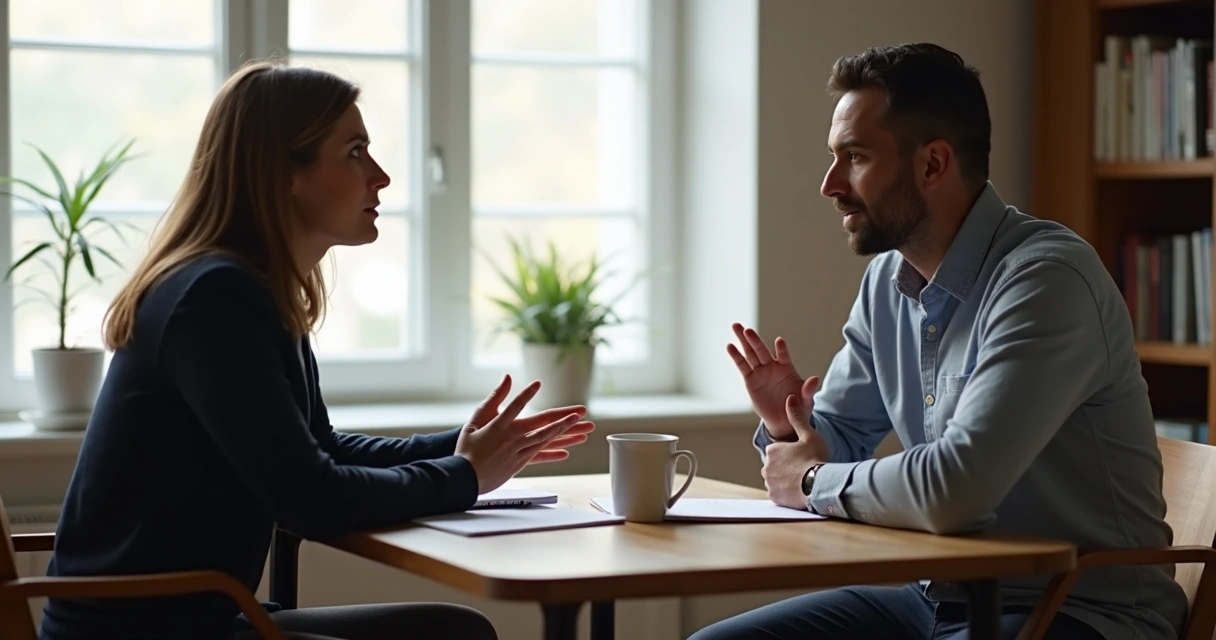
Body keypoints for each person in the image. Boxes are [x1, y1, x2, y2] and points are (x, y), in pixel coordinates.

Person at [38, 60, 594, 640]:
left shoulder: (250, 287)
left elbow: (316, 449)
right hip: (146, 633)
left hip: (199, 618)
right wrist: (463, 475)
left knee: (455, 631)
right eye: (354, 152)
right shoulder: (214, 298)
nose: (379, 176)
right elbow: (312, 498)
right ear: (283, 174)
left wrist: (461, 450)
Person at [692, 43, 1188, 640]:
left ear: (932, 164)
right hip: (934, 595)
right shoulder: (886, 281)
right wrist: (789, 430)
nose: (829, 184)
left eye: (854, 156)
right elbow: (837, 446)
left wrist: (807, 481)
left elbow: (956, 490)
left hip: (1073, 609)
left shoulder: (1046, 281)